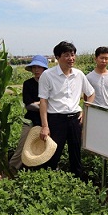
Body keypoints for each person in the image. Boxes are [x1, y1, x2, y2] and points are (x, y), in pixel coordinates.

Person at [38, 41, 95, 179]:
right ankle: (49, 181)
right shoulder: (48, 75)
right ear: (57, 57)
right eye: (67, 55)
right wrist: (45, 126)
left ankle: (78, 181)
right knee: (53, 152)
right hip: (56, 120)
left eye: (73, 54)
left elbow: (91, 93)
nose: (71, 58)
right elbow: (43, 101)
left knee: (76, 152)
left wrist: (85, 110)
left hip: (75, 119)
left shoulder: (79, 74)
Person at [9, 55, 48, 172]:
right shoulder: (28, 84)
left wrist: (39, 103)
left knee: (45, 149)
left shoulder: (50, 82)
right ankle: (12, 170)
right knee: (22, 147)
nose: (36, 70)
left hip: (47, 122)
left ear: (44, 69)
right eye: (34, 67)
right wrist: (44, 105)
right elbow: (28, 105)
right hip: (30, 121)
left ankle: (40, 172)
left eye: (39, 67)